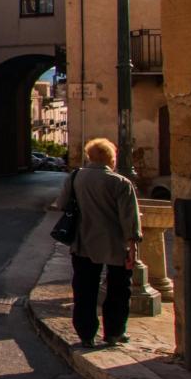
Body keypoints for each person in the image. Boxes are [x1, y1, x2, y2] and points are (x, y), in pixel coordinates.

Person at [58, 137, 142, 348]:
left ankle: (86, 333)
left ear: (90, 156)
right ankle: (114, 332)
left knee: (84, 289)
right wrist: (133, 248)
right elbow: (129, 220)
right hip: (115, 244)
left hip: (83, 241)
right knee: (118, 290)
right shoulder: (121, 183)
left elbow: (62, 204)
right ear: (111, 158)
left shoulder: (76, 177)